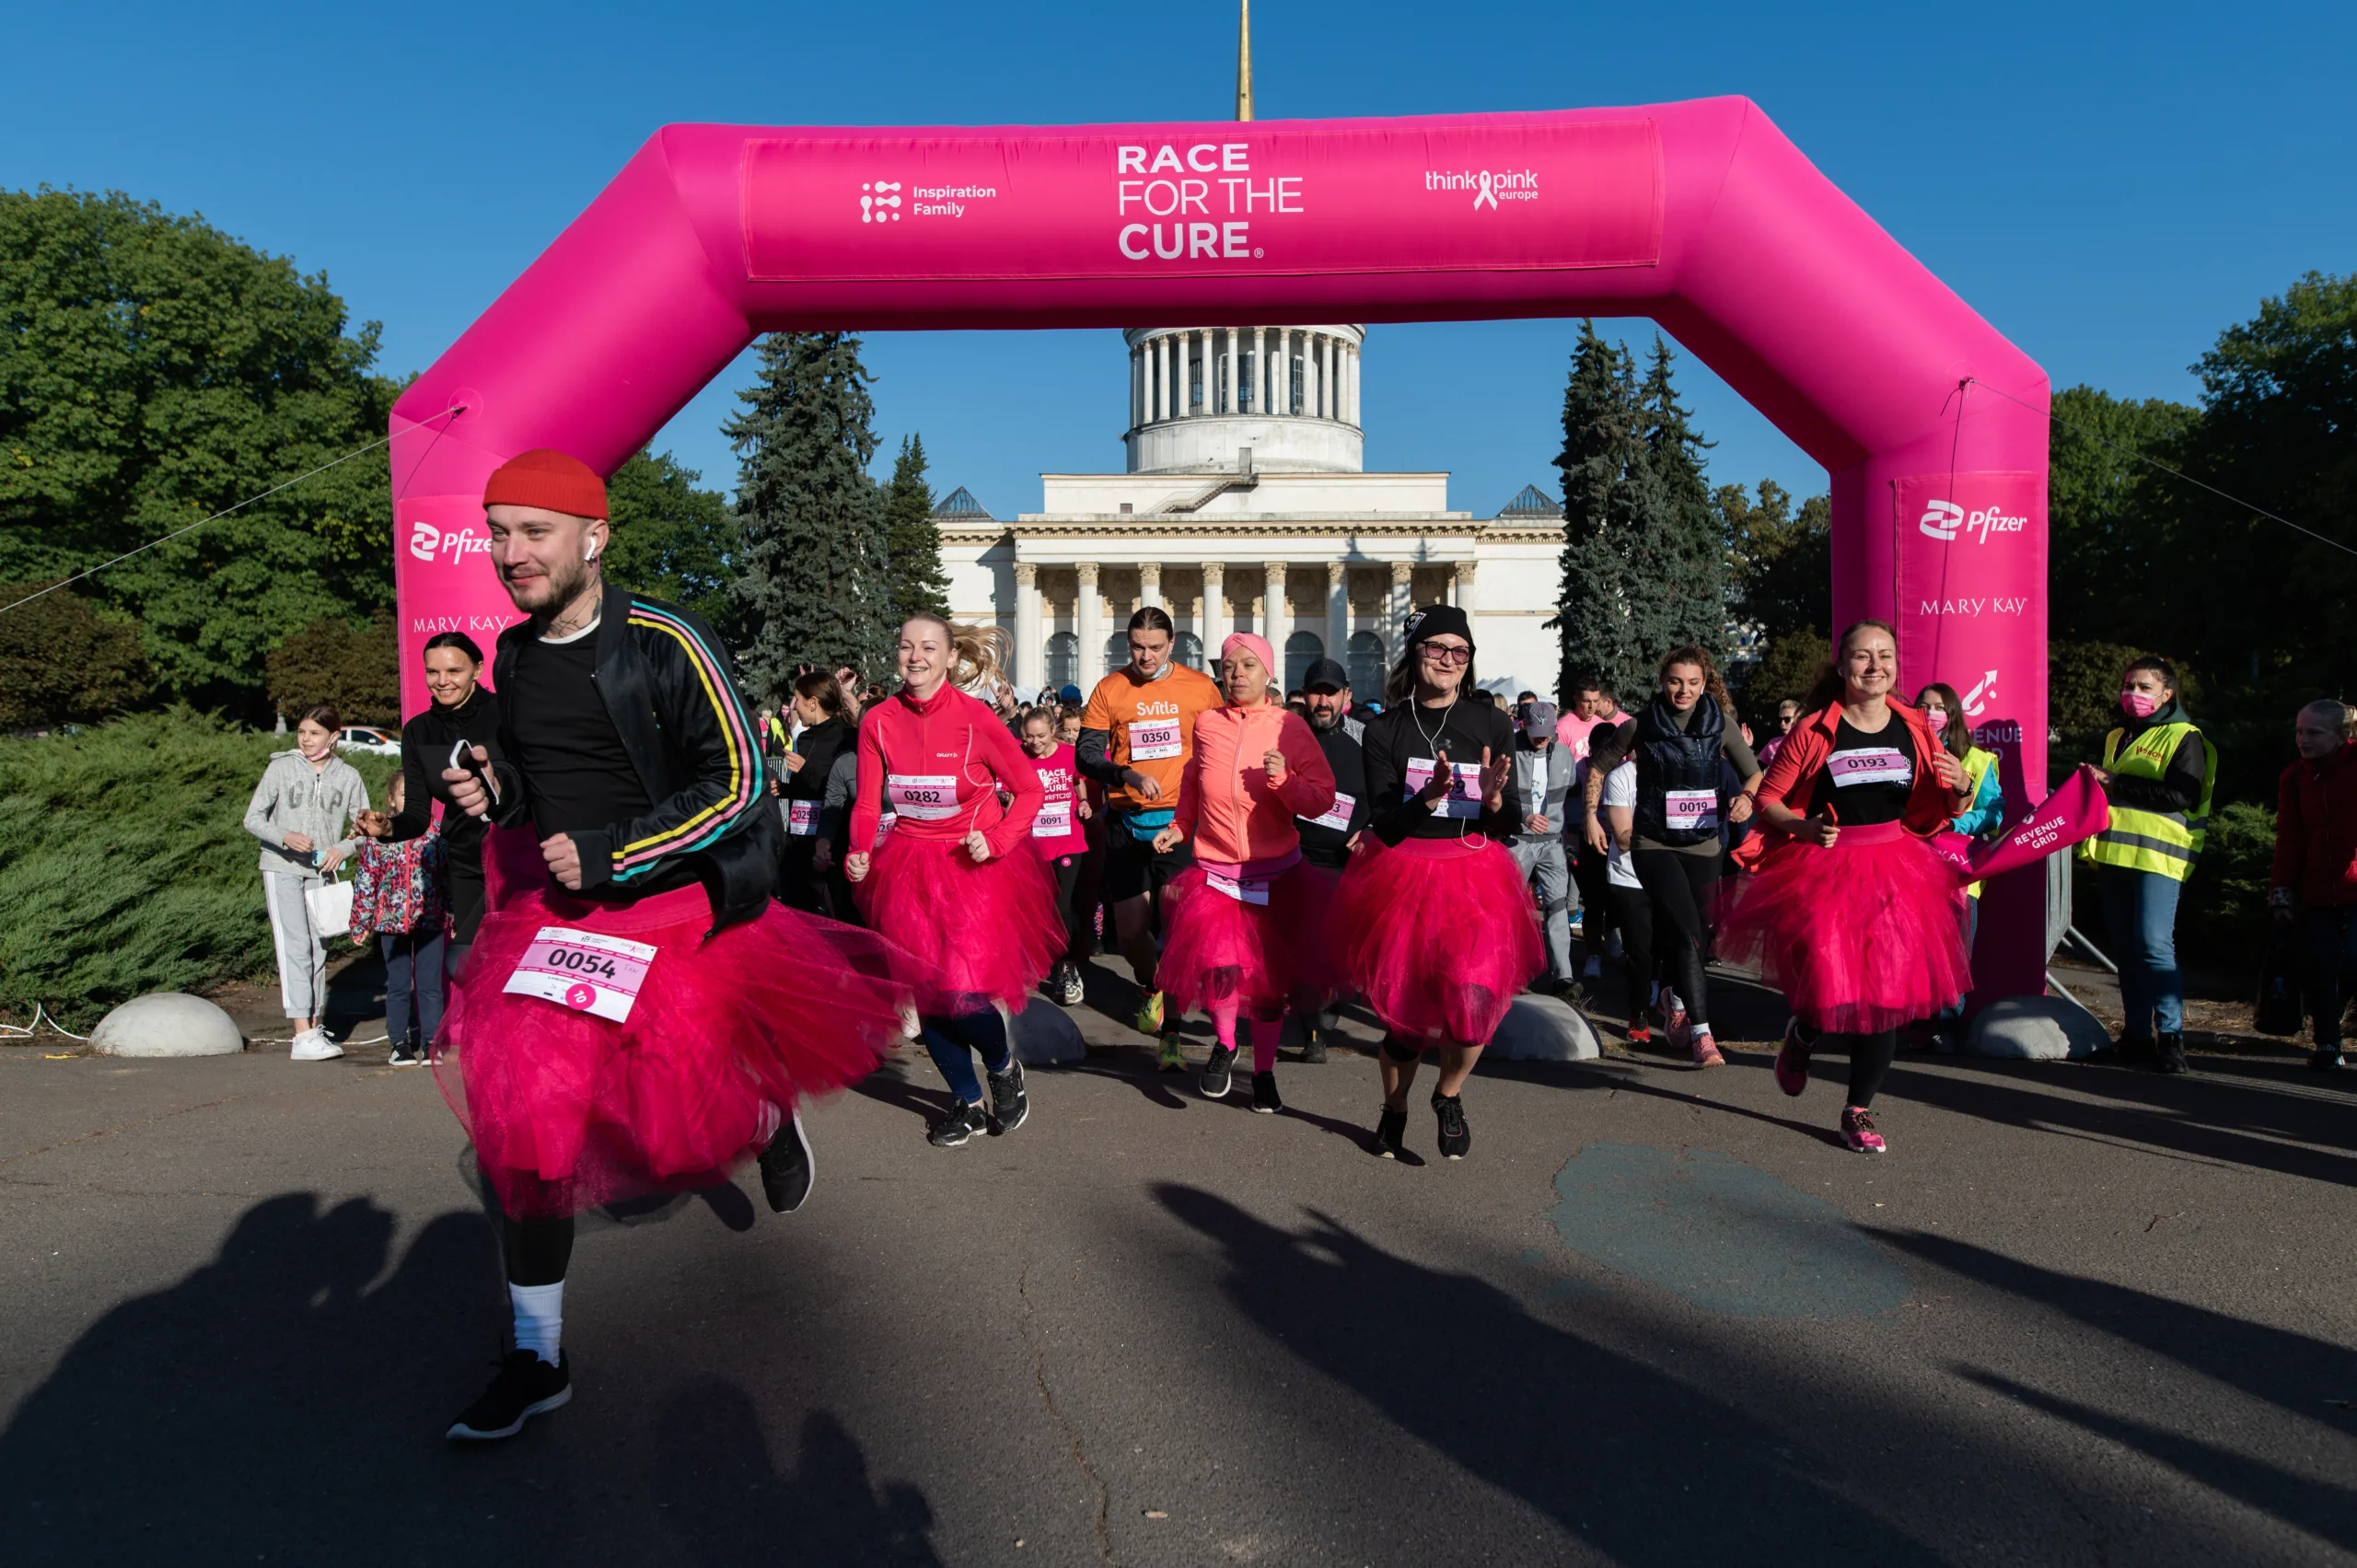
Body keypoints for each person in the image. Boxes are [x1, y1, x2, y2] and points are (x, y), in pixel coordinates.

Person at [434, 449, 919, 1442]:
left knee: (687, 1106)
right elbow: (539, 782)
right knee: (527, 1125)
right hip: (559, 918)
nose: (509, 552)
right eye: (497, 531)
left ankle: (767, 1116)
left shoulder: (663, 639)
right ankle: (537, 1355)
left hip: (671, 909)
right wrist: (498, 790)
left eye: (534, 531)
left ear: (593, 537)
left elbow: (742, 779)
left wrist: (616, 851)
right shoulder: (516, 656)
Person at [1721, 620, 1976, 1154]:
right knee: (1826, 980)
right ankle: (1805, 1032)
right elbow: (1769, 799)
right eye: (1863, 656)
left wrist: (1962, 788)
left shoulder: (1916, 727)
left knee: (1885, 996)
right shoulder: (1814, 728)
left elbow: (1943, 809)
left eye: (1885, 656)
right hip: (1826, 865)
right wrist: (1803, 828)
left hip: (1897, 868)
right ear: (1843, 666)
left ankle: (1857, 1109)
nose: (1875, 666)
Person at [847, 614, 1066, 1147]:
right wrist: (858, 851)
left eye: (927, 648)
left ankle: (1002, 1067)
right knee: (928, 997)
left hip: (974, 868)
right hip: (906, 866)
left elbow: (1029, 792)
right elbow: (867, 801)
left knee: (963, 994)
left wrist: (997, 841)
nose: (914, 657)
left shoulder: (976, 720)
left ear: (950, 658)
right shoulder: (878, 720)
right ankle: (965, 1101)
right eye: (905, 647)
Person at [1337, 605, 1539, 1160]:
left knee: (1473, 1008)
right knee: (1405, 1024)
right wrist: (1428, 797)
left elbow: (1511, 822)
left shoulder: (1492, 723)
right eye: (1437, 649)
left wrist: (1496, 799)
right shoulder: (1385, 729)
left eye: (1460, 652)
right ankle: (1394, 1108)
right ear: (1416, 653)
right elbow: (1385, 824)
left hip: (1475, 871)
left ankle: (1447, 1096)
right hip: (1404, 876)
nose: (1449, 660)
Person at [1153, 633, 1338, 1112]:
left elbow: (1322, 799)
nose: (1237, 673)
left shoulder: (1290, 727)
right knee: (1220, 970)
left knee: (1269, 987)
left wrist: (1285, 781)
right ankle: (1227, 1043)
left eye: (1249, 664)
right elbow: (1195, 779)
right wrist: (1179, 824)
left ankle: (1264, 1074)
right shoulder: (1208, 724)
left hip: (1276, 875)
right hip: (1215, 870)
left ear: (1268, 674)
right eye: (1230, 664)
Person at [1585, 648, 1760, 1069]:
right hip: (1653, 844)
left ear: (1704, 684)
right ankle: (1703, 1034)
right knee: (1687, 934)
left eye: (1693, 682)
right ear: (1663, 681)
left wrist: (1747, 798)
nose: (1684, 690)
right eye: (1676, 681)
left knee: (1698, 935)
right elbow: (1597, 768)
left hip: (1704, 844)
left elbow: (1755, 773)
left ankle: (1674, 996)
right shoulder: (1640, 725)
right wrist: (1592, 817)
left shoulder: (1722, 726)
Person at [1077, 607, 1226, 1069]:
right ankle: (1150, 985)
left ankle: (1174, 1034)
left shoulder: (1200, 688)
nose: (1145, 656)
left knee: (1178, 926)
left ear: (1173, 643)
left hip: (1179, 825)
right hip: (1126, 821)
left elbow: (1219, 749)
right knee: (1131, 931)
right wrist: (1123, 772)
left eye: (1155, 648)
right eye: (1137, 647)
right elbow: (1086, 754)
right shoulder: (1110, 688)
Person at [2079, 655, 2215, 1074]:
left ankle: (2170, 1039)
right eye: (2129, 686)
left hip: (2159, 858)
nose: (2133, 694)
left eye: (2144, 688)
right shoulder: (2118, 735)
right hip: (2117, 854)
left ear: (2166, 694)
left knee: (2154, 947)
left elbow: (2181, 796)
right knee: (2128, 951)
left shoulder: (2185, 736)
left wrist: (2115, 782)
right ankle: (2137, 1037)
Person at [359, 633, 504, 987]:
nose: (442, 681)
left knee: (477, 958)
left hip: (515, 857)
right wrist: (387, 828)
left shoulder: (506, 714)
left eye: (454, 670)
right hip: (464, 861)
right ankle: (481, 1041)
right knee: (473, 967)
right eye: (432, 672)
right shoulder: (418, 731)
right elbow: (418, 815)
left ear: (478, 669)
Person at [243, 703, 369, 1062]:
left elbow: (363, 828)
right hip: (280, 867)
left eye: (314, 733)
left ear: (333, 736)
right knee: (294, 946)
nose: (306, 739)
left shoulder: (348, 776)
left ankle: (312, 1030)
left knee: (317, 949)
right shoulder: (280, 767)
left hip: (320, 873)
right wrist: (284, 836)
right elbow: (252, 818)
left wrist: (342, 849)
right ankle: (302, 1034)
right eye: (302, 732)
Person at [1914, 681, 2005, 1049]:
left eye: (1938, 707)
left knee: (1953, 955)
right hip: (1909, 866)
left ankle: (1947, 1028)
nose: (1930, 713)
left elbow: (1995, 811)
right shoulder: (1904, 751)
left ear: (1952, 715)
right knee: (1912, 951)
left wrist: (1954, 824)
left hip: (1959, 875)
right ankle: (1912, 1025)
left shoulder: (1980, 760)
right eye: (1922, 706)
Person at [2270, 699, 2357, 1070]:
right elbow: (2289, 838)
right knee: (2321, 966)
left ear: (2342, 736)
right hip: (2318, 887)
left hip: (2355, 885)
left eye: (2314, 733)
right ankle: (2327, 1044)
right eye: (2299, 731)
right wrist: (2281, 889)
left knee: (2353, 961)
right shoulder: (2296, 776)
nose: (2303, 739)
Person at [1292, 657, 1366, 1063]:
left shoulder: (1364, 739)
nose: (1323, 701)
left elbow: (1383, 793)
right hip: (1297, 857)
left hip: (1347, 861)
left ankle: (1332, 996)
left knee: (1336, 949)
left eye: (1331, 693)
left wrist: (1367, 831)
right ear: (1304, 695)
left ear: (1346, 697)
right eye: (1316, 692)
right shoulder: (1288, 735)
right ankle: (1311, 1035)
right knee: (1303, 947)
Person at [350, 772, 447, 1066]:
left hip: (430, 920)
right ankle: (399, 1043)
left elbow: (447, 877)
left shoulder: (436, 832)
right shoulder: (379, 838)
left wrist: (454, 914)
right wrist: (360, 921)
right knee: (399, 984)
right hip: (391, 922)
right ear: (391, 799)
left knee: (430, 985)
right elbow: (367, 879)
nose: (410, 798)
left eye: (417, 792)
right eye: (405, 793)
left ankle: (432, 1040)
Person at [1018, 703, 1097, 1007]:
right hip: (1034, 846)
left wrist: (1084, 803)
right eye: (1028, 737)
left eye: (1040, 736)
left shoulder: (1068, 754)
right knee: (1036, 909)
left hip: (1067, 843)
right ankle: (1037, 963)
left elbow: (1079, 781)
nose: (1034, 743)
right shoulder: (1021, 757)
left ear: (1053, 730)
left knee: (1062, 907)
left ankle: (1068, 969)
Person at [1508, 702, 1580, 994]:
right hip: (1517, 841)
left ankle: (1563, 976)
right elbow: (1497, 797)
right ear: (1524, 726)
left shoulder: (1564, 755)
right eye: (1537, 732)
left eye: (1547, 732)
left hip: (1551, 842)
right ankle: (1510, 973)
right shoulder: (1509, 751)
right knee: (1509, 909)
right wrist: (1522, 816)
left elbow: (1572, 796)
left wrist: (1572, 834)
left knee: (1558, 905)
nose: (1542, 738)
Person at [774, 669, 857, 917]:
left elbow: (841, 792)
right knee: (794, 910)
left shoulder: (845, 737)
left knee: (839, 916)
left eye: (797, 700)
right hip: (799, 838)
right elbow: (806, 788)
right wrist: (784, 790)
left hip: (831, 841)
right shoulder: (806, 736)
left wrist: (805, 770)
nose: (795, 708)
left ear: (813, 702)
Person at [1563, 677, 1627, 984]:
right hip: (1589, 839)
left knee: (1617, 898)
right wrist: (1572, 836)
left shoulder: (1626, 770)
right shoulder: (1582, 768)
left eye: (1613, 749)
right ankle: (1592, 955)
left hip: (1619, 840)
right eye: (1603, 749)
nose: (1608, 756)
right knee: (1593, 901)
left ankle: (1613, 940)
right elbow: (1571, 800)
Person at [1594, 750, 1660, 1043]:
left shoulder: (1676, 770)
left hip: (1672, 872)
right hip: (1630, 876)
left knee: (1676, 945)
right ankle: (1639, 1013)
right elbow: (1623, 837)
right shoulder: (1621, 776)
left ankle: (1683, 1013)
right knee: (1640, 951)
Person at [1755, 698, 1802, 772]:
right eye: (1780, 720)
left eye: (1787, 719)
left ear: (1798, 719)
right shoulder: (1772, 743)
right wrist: (1749, 747)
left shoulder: (1805, 743)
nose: (1782, 723)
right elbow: (1755, 770)